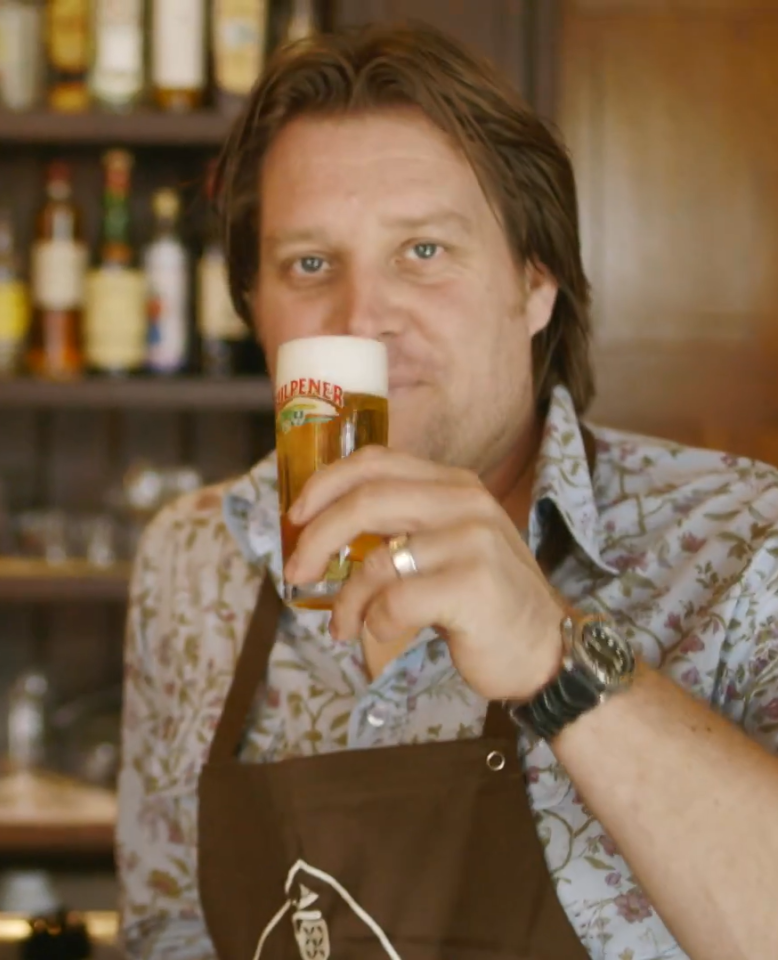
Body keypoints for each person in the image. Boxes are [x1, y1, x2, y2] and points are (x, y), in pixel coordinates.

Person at [118, 22, 778, 960]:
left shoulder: (747, 543)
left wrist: (560, 660)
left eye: (422, 251)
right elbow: (168, 933)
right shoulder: (193, 557)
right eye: (309, 264)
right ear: (252, 314)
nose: (362, 318)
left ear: (534, 281)